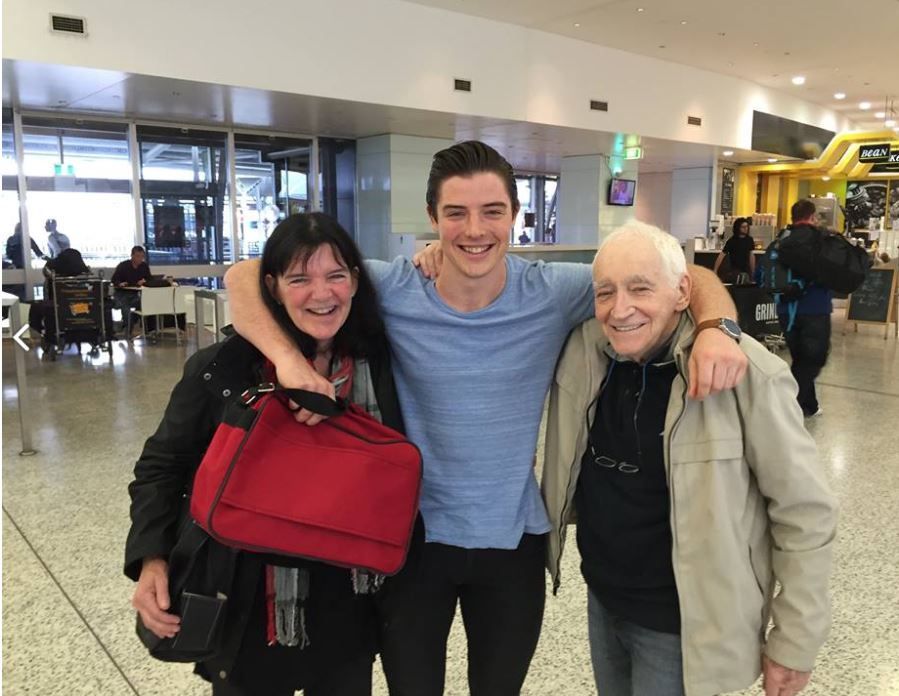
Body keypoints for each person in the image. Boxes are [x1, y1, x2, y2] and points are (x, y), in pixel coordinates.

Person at [223, 141, 748, 696]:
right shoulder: (396, 286)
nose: (475, 230)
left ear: (515, 217)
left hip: (512, 543)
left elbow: (689, 276)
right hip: (413, 540)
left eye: (492, 211)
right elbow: (245, 275)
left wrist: (718, 328)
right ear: (432, 219)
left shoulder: (551, 292)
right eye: (456, 213)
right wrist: (287, 362)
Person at [542, 220, 838, 696]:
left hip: (682, 622)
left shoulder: (746, 373)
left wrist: (796, 640)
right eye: (606, 293)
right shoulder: (587, 350)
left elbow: (805, 514)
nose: (620, 310)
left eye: (640, 288)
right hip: (603, 597)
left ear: (681, 292)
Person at [125, 212, 402, 696]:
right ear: (271, 287)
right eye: (300, 279)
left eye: (336, 275)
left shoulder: (382, 363)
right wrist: (151, 557)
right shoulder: (225, 368)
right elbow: (162, 466)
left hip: (348, 603)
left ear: (356, 281)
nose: (322, 294)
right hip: (249, 599)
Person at [777, 200, 833, 417]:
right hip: (815, 307)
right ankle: (786, 399)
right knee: (815, 358)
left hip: (786, 310)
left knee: (800, 357)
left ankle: (808, 405)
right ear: (811, 217)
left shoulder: (782, 238)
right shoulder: (821, 239)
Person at [111, 246, 153, 338]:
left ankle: (147, 329)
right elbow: (114, 280)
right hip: (122, 294)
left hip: (135, 294)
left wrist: (145, 281)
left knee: (145, 304)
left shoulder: (144, 266)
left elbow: (150, 279)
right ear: (132, 255)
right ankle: (129, 331)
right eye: (138, 256)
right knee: (125, 306)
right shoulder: (123, 265)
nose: (140, 259)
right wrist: (120, 283)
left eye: (142, 256)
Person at [713, 216, 755, 283]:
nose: (746, 229)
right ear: (738, 228)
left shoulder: (750, 240)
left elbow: (751, 256)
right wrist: (715, 270)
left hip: (747, 270)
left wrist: (753, 271)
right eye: (743, 227)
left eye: (747, 227)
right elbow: (721, 255)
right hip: (734, 270)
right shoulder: (732, 241)